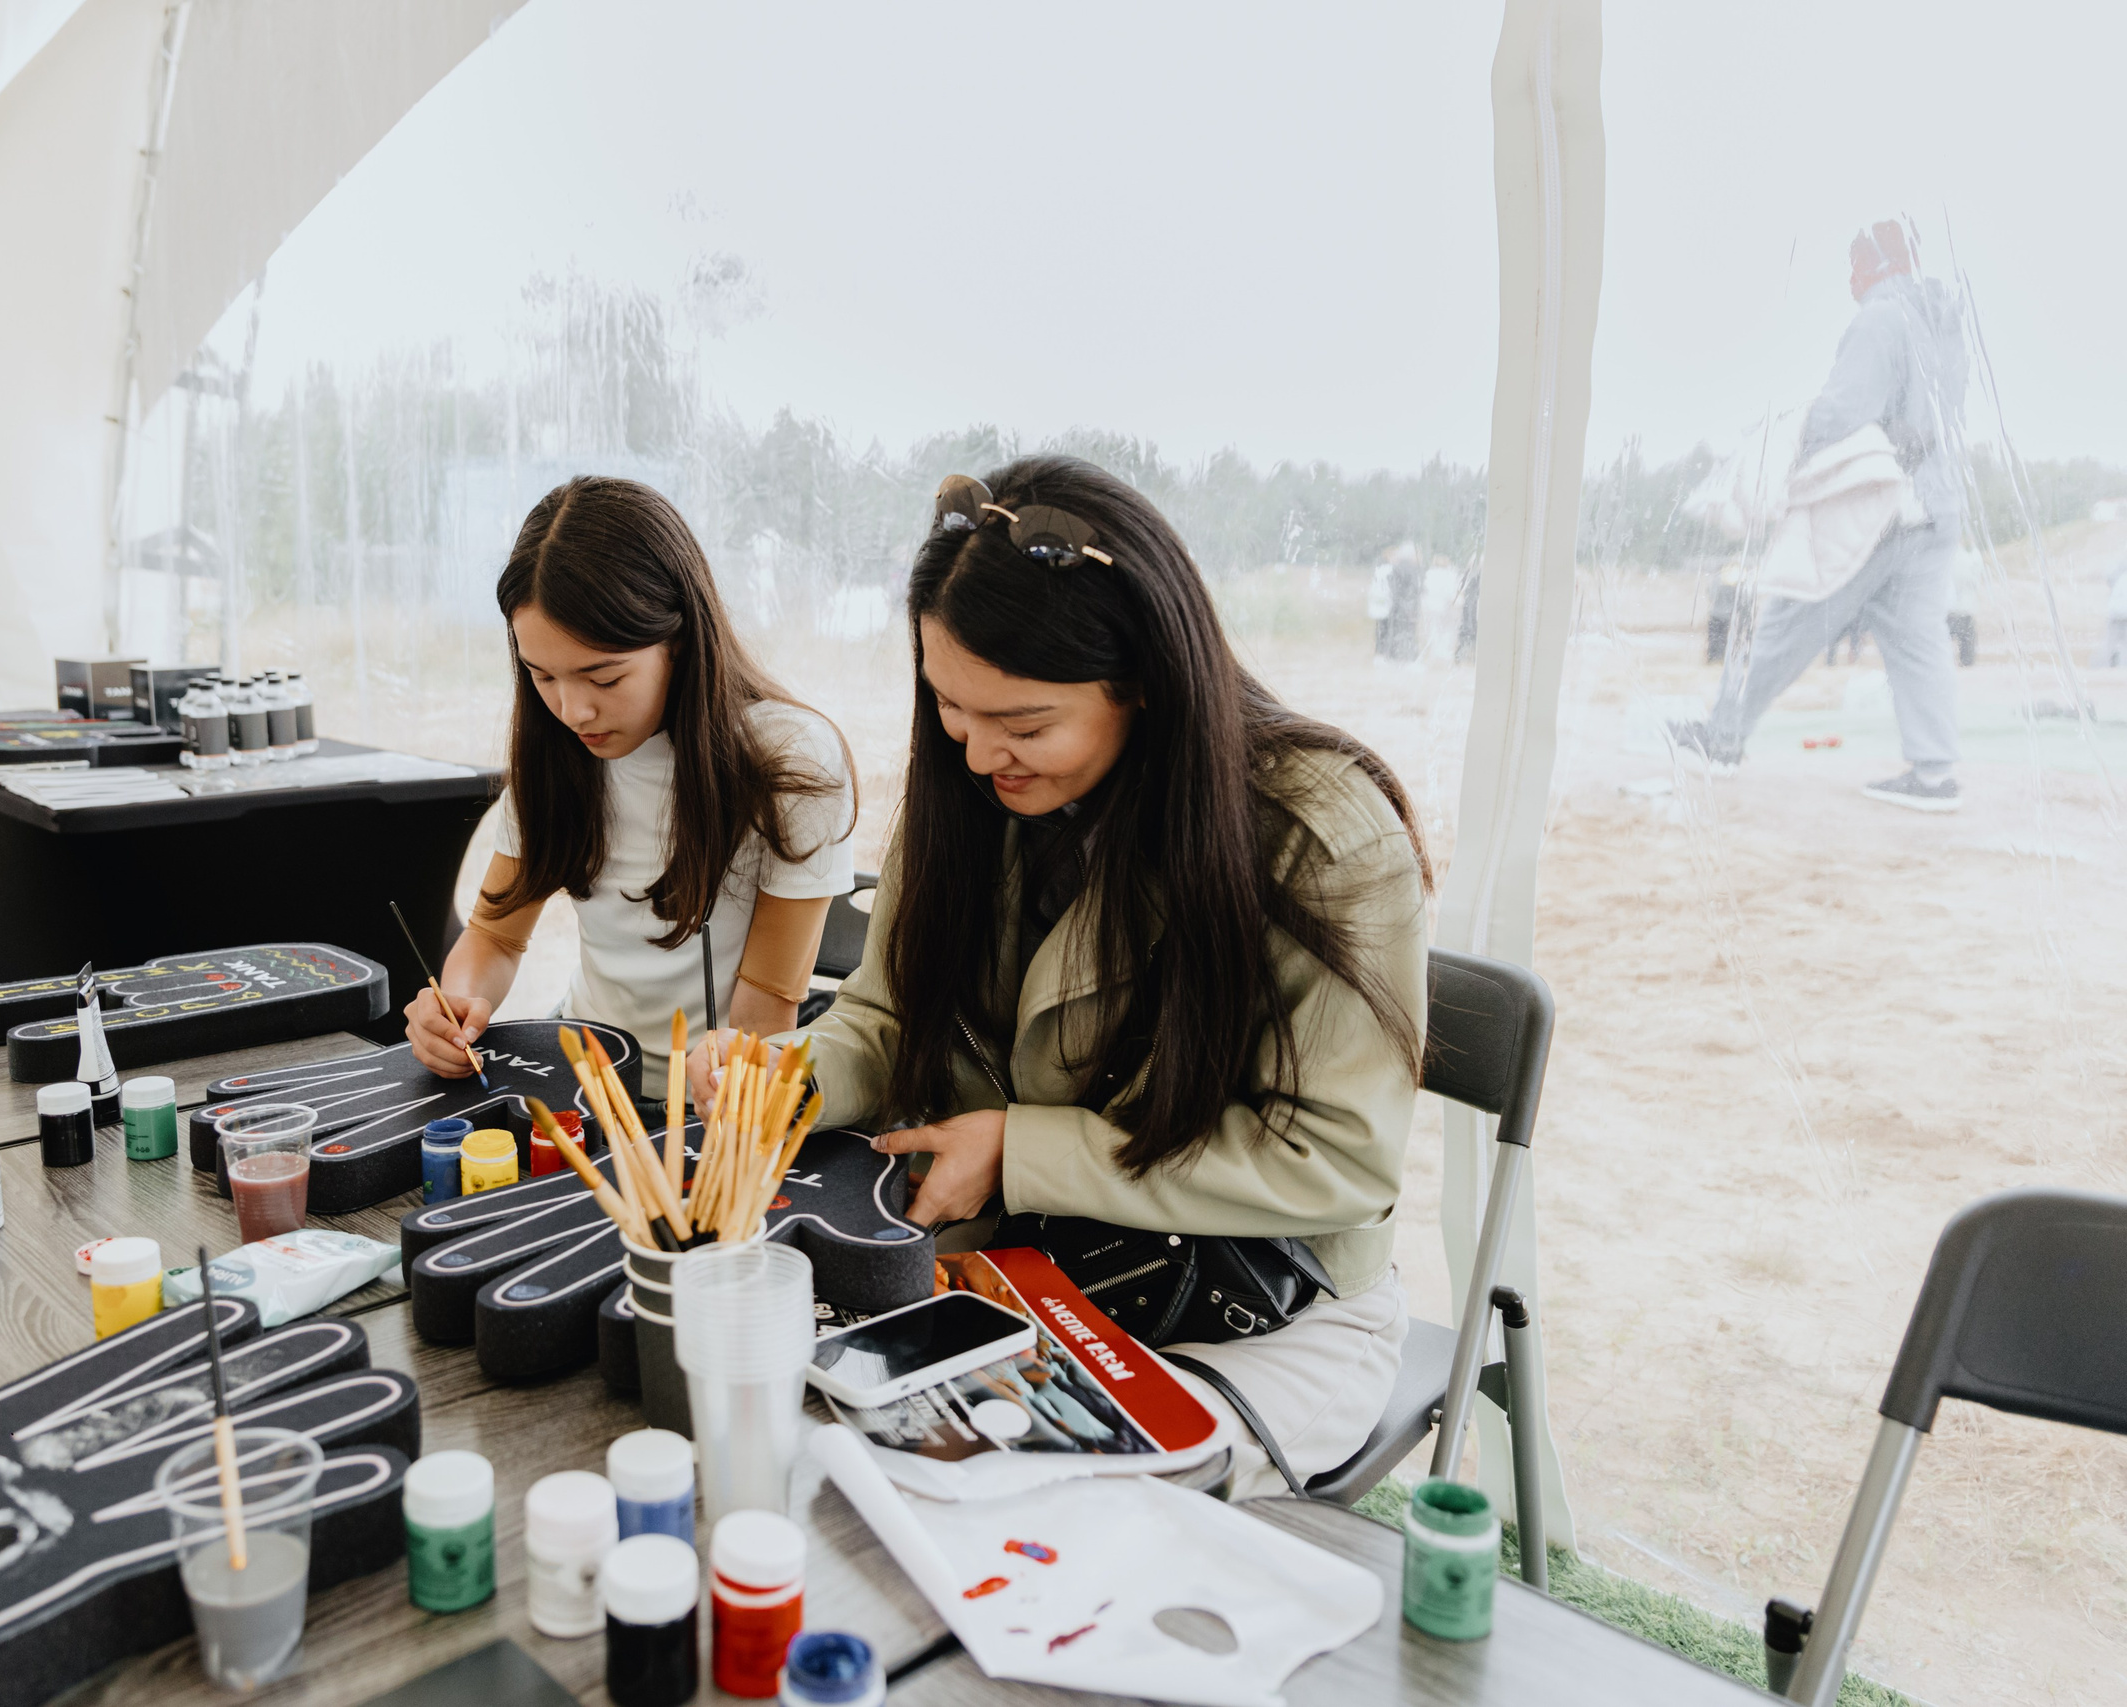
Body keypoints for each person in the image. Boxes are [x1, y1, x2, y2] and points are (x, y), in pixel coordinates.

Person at [701, 456, 1431, 1492]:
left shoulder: (1315, 838)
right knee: (812, 1433)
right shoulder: (969, 801)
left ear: (1143, 682)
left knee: (1044, 1496)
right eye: (950, 709)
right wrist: (785, 1075)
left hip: (1256, 1314)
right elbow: (884, 1020)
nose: (977, 755)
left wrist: (1022, 1151)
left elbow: (1336, 1162)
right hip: (1024, 1269)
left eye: (1025, 724)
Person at [407, 476, 856, 1099]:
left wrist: (715, 1111)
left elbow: (767, 1012)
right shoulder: (556, 751)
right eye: (543, 676)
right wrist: (455, 1005)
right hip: (579, 1078)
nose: (573, 711)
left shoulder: (788, 761)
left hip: (713, 1095)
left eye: (605, 677)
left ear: (680, 639)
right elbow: (495, 937)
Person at [1671, 221, 1968, 810]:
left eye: (1854, 268)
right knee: (1919, 642)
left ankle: (1721, 740)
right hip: (1936, 509)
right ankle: (1936, 775)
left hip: (1878, 509)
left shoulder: (1880, 319)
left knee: (1786, 616)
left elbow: (1843, 413)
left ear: (1877, 265)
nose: (1850, 281)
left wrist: (1788, 444)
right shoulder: (1946, 326)